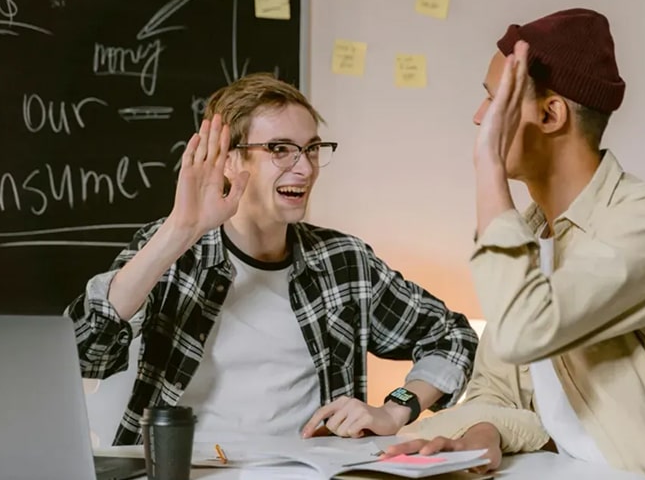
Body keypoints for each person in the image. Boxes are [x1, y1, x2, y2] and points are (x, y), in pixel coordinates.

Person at [385, 8, 645, 480]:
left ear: (550, 114)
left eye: (495, 101)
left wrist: (488, 167)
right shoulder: (533, 233)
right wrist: (482, 432)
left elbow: (526, 330)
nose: (479, 118)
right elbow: (495, 386)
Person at [66, 73, 478, 445]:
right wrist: (179, 231)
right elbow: (83, 352)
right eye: (281, 149)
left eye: (312, 149)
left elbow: (453, 337)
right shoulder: (174, 250)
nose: (305, 168)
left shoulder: (343, 262)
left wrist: (395, 408)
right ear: (229, 159)